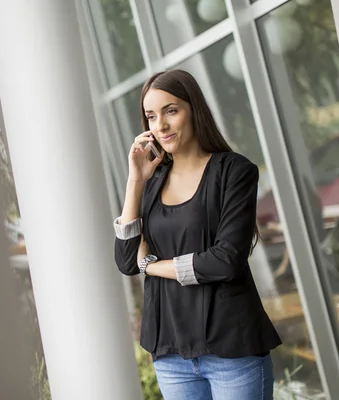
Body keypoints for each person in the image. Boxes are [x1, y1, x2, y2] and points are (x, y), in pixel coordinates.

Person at [113, 69, 282, 400]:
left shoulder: (234, 172)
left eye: (170, 111)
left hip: (232, 348)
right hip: (170, 353)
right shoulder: (152, 180)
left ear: (194, 110)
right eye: (151, 116)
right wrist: (136, 181)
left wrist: (153, 265)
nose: (160, 125)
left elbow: (225, 261)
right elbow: (125, 261)